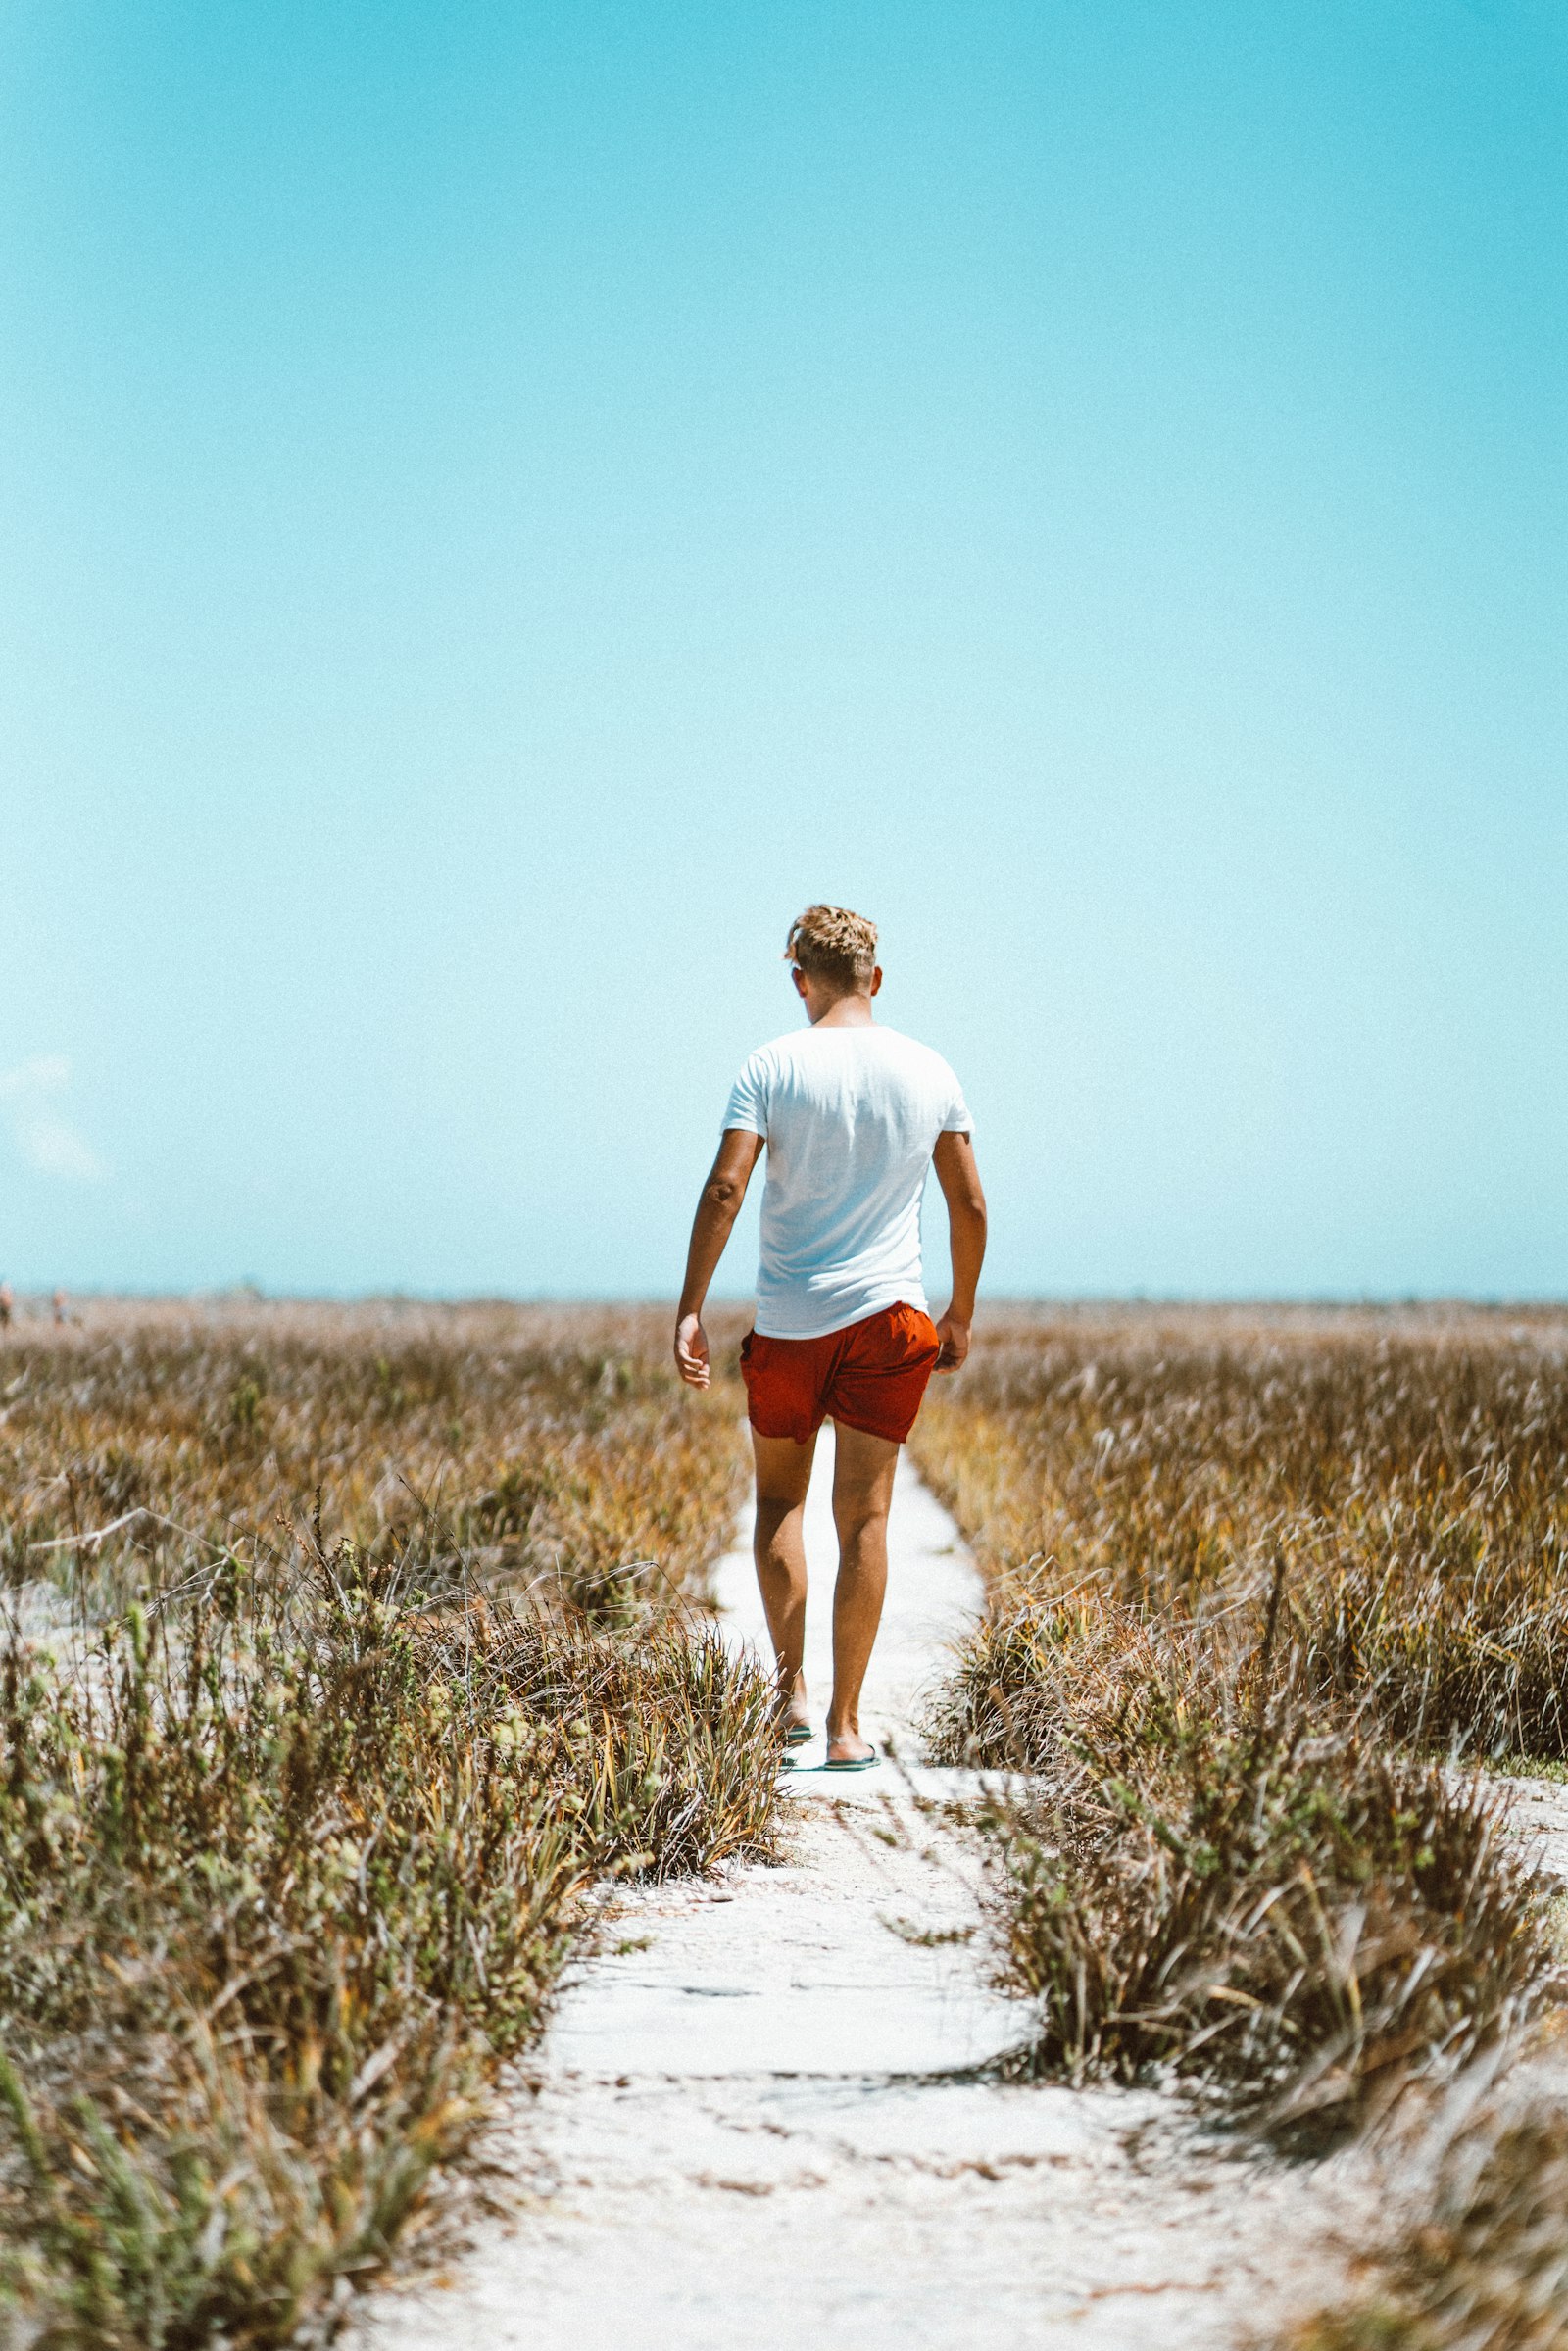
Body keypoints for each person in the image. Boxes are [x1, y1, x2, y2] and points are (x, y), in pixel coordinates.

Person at [674, 904, 987, 1770]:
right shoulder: (931, 1070)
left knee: (780, 1506)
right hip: (891, 1320)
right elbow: (969, 1203)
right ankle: (848, 1727)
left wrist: (691, 1305)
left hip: (792, 1320)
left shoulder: (771, 1064)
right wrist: (959, 1310)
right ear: (875, 979)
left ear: (799, 978)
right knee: (868, 1520)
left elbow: (726, 1190)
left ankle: (791, 1699)